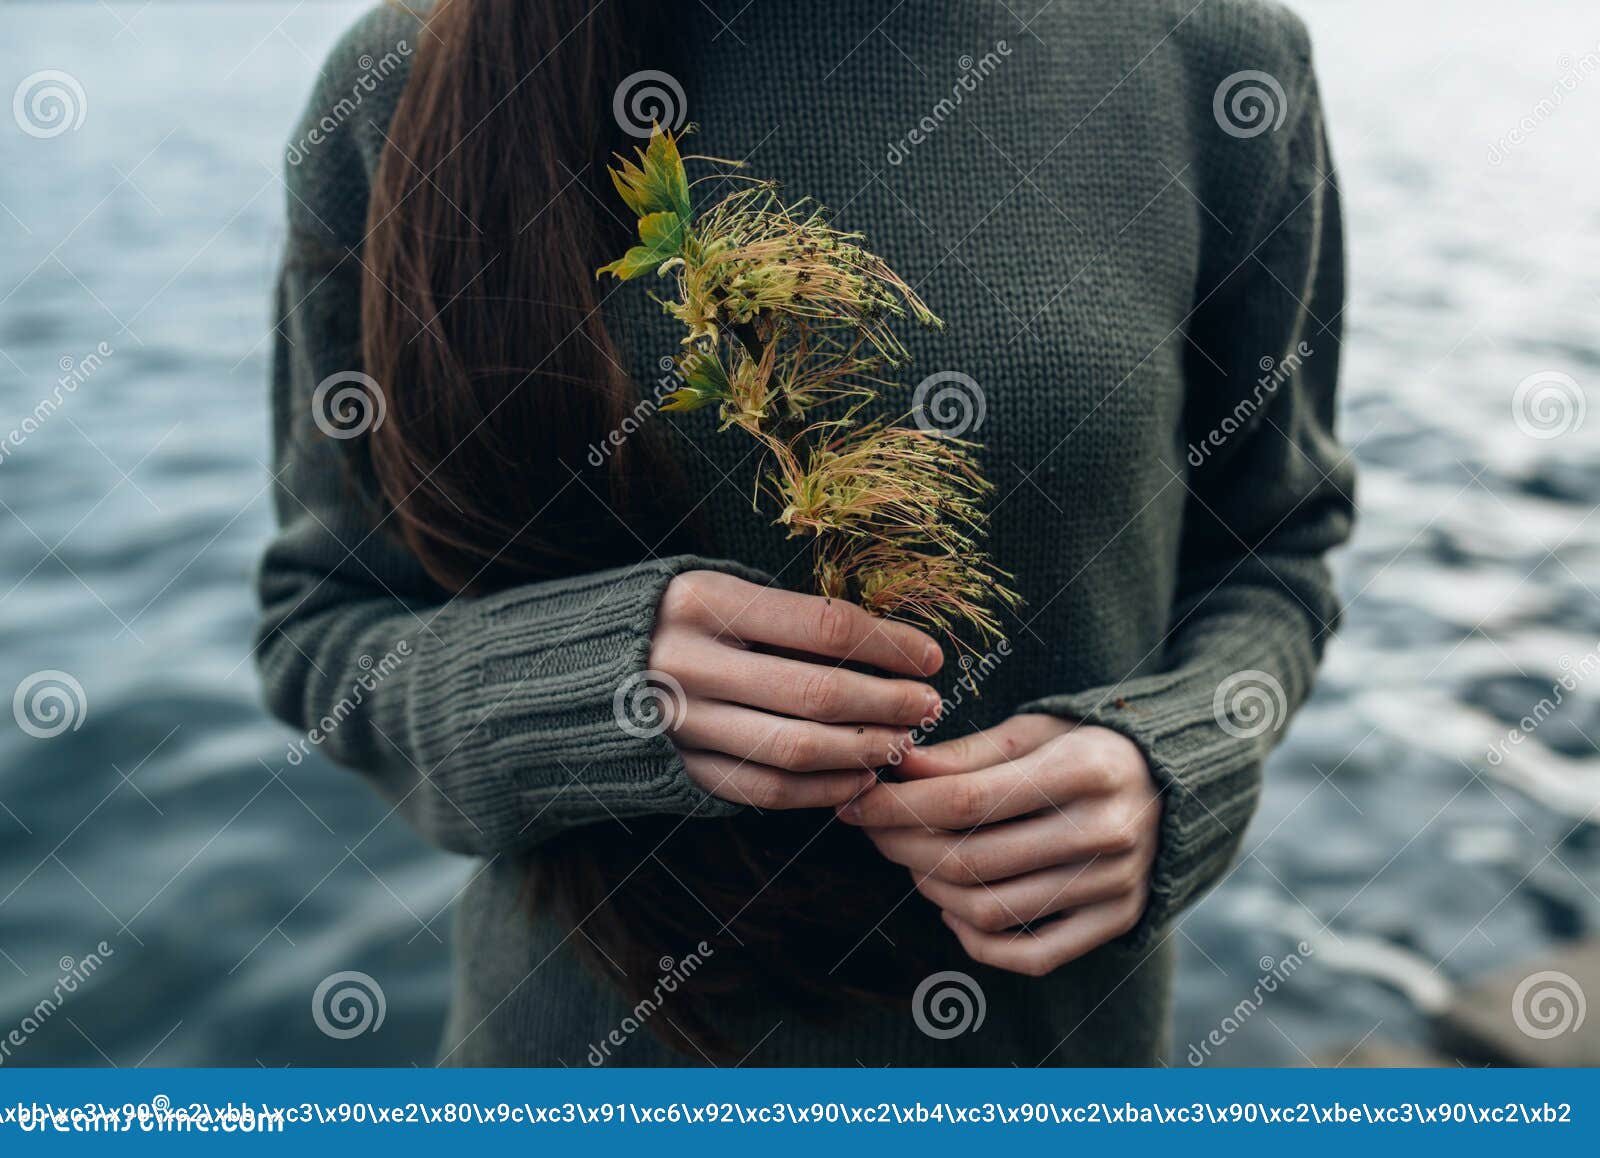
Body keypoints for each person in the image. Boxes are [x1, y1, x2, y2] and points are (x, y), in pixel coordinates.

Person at [257, 0, 1353, 1066]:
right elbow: (324, 627)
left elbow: (1276, 551)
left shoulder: (1215, 56)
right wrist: (581, 693)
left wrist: (1175, 760)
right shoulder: (403, 85)